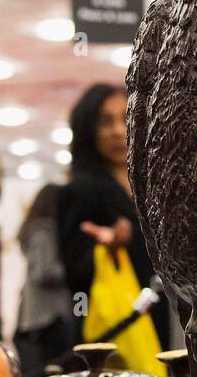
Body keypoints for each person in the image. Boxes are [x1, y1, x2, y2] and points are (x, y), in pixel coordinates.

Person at [56, 83, 171, 349]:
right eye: (105, 122)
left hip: (159, 315)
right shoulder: (81, 189)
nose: (118, 131)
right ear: (89, 130)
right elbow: (74, 272)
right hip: (116, 326)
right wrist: (107, 247)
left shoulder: (151, 184)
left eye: (125, 118)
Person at [14, 183, 77, 377]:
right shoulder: (44, 230)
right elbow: (44, 272)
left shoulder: (37, 230)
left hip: (38, 316)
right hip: (46, 317)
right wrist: (74, 268)